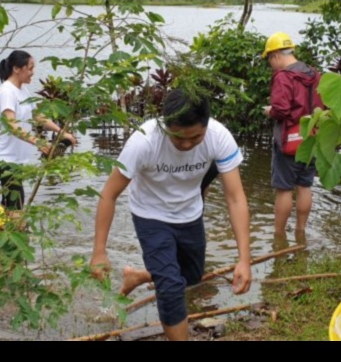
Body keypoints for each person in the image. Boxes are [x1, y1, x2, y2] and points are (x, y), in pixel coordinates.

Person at [90, 90, 252, 341]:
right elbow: (109, 194)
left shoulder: (219, 137)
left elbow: (235, 198)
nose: (186, 145)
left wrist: (244, 259)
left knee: (192, 276)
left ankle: (140, 276)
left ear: (206, 126)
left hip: (190, 212)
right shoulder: (144, 141)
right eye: (178, 138)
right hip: (150, 214)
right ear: (165, 126)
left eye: (195, 137)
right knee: (171, 288)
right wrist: (99, 251)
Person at [0, 50, 76, 210]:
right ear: (16, 69)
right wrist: (37, 141)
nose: (32, 72)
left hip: (15, 156)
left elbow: (38, 117)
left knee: (10, 199)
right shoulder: (7, 91)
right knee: (16, 200)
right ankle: (15, 229)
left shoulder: (22, 90)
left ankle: (2, 229)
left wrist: (62, 132)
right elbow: (11, 125)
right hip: (3, 156)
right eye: (30, 68)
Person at [262, 32, 323, 234]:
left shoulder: (283, 77)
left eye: (270, 59)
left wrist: (270, 110)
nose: (271, 64)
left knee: (284, 189)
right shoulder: (313, 74)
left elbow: (281, 110)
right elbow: (320, 105)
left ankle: (278, 236)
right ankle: (301, 231)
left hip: (288, 139)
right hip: (311, 137)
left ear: (276, 56)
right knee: (305, 186)